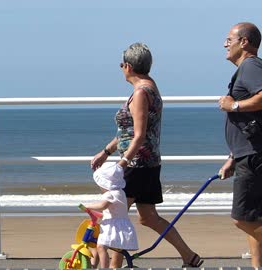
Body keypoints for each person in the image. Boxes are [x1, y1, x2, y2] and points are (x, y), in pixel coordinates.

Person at [90, 42, 203, 268]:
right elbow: (128, 131)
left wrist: (122, 163)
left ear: (129, 66)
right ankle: (189, 256)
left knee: (115, 215)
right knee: (148, 217)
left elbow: (139, 135)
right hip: (148, 163)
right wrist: (106, 151)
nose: (120, 67)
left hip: (137, 165)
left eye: (122, 63)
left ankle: (113, 266)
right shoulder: (149, 86)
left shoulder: (141, 92)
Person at [218, 22, 262, 268]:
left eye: (228, 39)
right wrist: (233, 157)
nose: (225, 44)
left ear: (243, 42)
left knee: (242, 218)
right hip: (247, 153)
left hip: (254, 155)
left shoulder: (251, 66)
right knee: (254, 216)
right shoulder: (248, 68)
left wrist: (233, 105)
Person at [85, 162, 138, 268]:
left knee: (101, 247)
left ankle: (104, 268)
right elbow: (112, 210)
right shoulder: (120, 193)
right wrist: (100, 214)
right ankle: (95, 265)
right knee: (101, 246)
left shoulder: (110, 194)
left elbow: (102, 205)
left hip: (112, 227)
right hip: (121, 226)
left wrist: (87, 206)